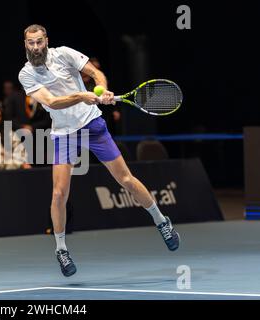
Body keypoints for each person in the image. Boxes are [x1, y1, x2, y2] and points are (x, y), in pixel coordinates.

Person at [18, 24, 180, 277]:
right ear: (25, 44)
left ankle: (161, 221)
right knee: (59, 193)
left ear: (46, 40)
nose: (36, 47)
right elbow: (51, 102)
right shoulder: (26, 74)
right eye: (31, 43)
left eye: (39, 42)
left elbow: (95, 73)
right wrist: (82, 95)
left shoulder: (64, 54)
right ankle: (61, 249)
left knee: (125, 179)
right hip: (64, 133)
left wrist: (101, 89)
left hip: (92, 125)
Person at [0, 105, 31, 170]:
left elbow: (21, 154)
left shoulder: (10, 134)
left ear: (2, 118)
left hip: (13, 172)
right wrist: (10, 158)